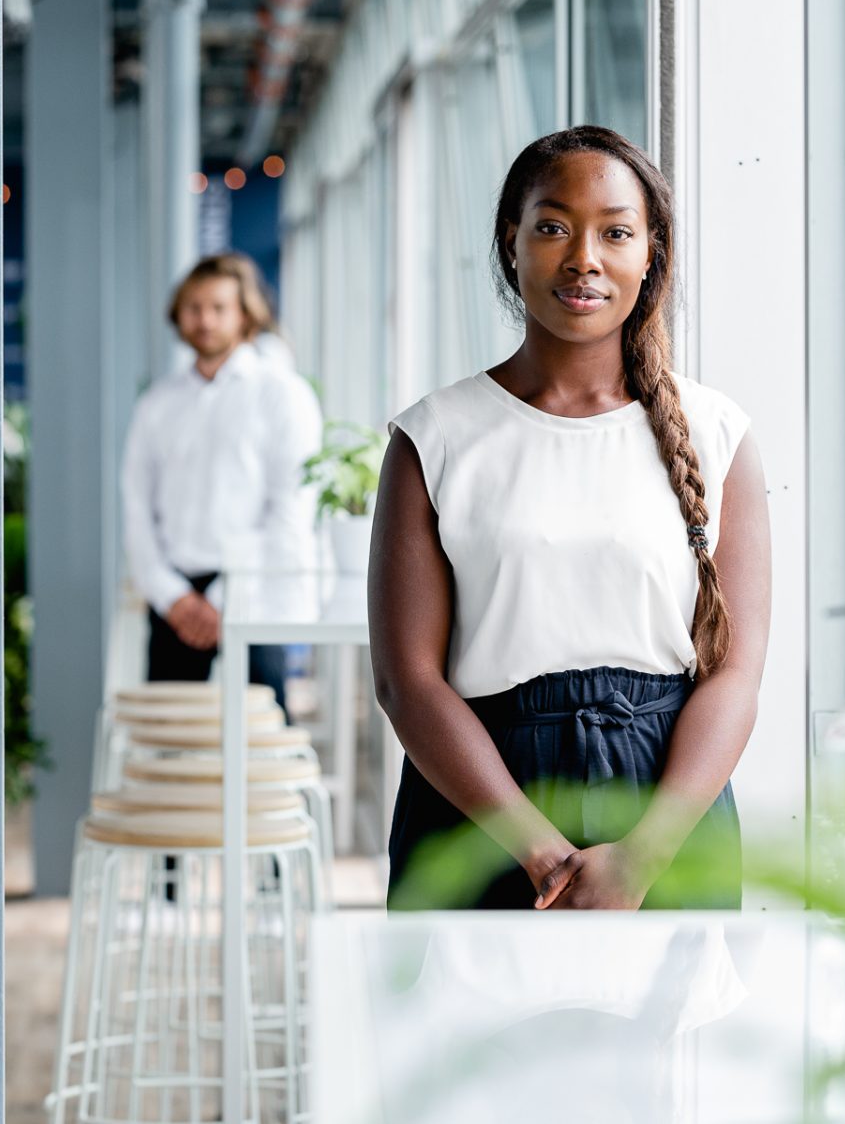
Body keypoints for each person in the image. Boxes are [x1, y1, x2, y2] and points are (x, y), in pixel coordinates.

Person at [369, 125, 770, 911]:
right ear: (509, 242)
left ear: (650, 252)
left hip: (669, 805)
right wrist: (542, 854)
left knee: (672, 1037)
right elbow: (407, 681)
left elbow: (735, 674)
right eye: (553, 227)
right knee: (473, 1035)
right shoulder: (436, 437)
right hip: (478, 802)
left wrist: (645, 855)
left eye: (616, 232)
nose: (583, 257)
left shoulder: (717, 432)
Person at [121, 251, 324, 715]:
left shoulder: (282, 394)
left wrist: (221, 602)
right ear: (179, 315)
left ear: (245, 314)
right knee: (169, 741)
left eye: (218, 308)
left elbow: (291, 507)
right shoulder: (157, 403)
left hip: (255, 590)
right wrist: (173, 598)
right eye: (193, 308)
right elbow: (137, 506)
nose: (205, 320)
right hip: (176, 597)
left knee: (265, 737)